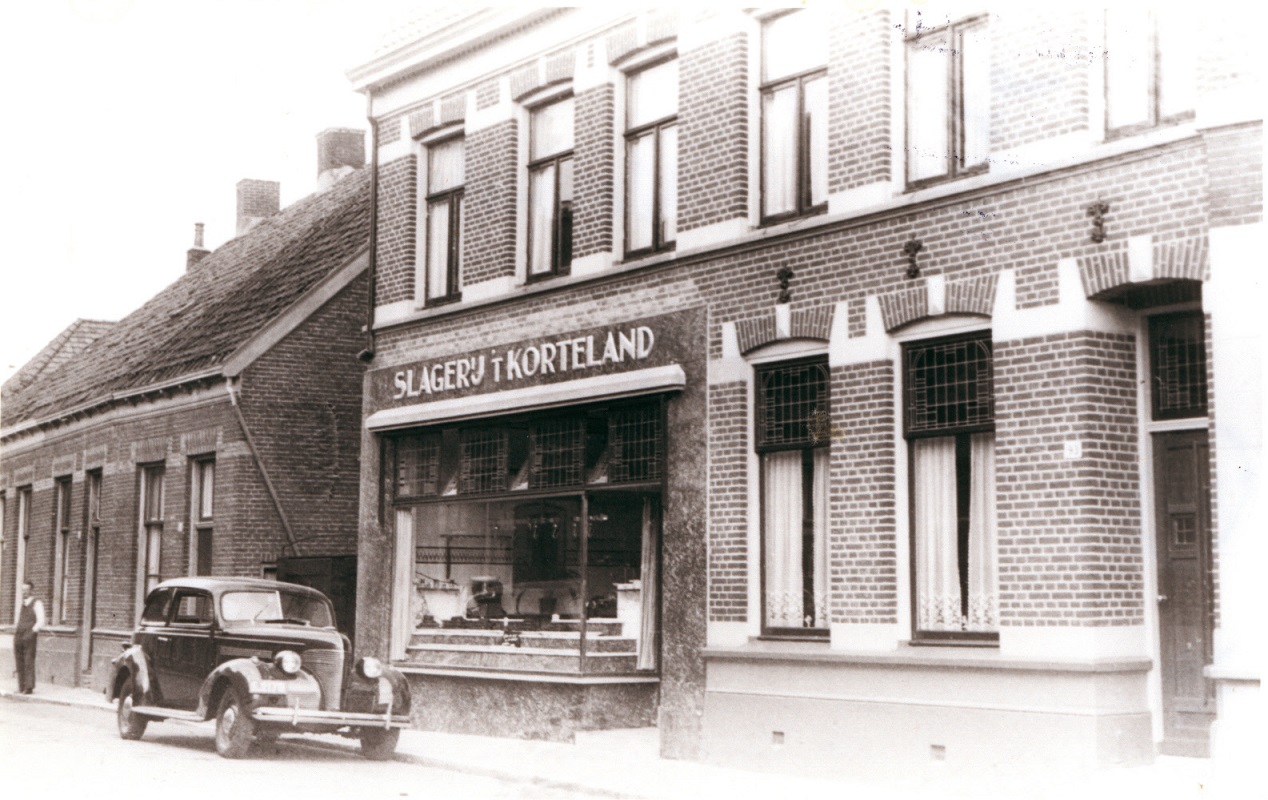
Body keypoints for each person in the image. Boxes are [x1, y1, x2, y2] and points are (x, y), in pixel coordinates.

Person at [14, 581, 45, 694]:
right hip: (19, 635)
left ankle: (29, 687)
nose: (24, 592)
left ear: (31, 591)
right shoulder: (22, 604)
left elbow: (41, 620)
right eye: (22, 590)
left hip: (29, 636)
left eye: (26, 590)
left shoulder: (37, 603)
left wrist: (32, 632)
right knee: (19, 660)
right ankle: (21, 686)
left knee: (28, 660)